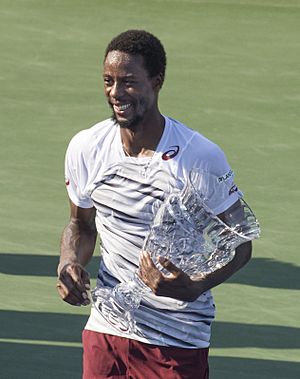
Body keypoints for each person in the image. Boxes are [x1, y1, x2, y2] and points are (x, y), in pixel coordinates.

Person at [57, 30, 252, 379]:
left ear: (157, 81)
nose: (115, 93)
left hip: (176, 341)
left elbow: (241, 243)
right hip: (107, 330)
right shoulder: (86, 148)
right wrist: (69, 261)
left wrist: (195, 285)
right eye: (108, 81)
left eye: (129, 82)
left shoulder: (199, 157)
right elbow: (81, 225)